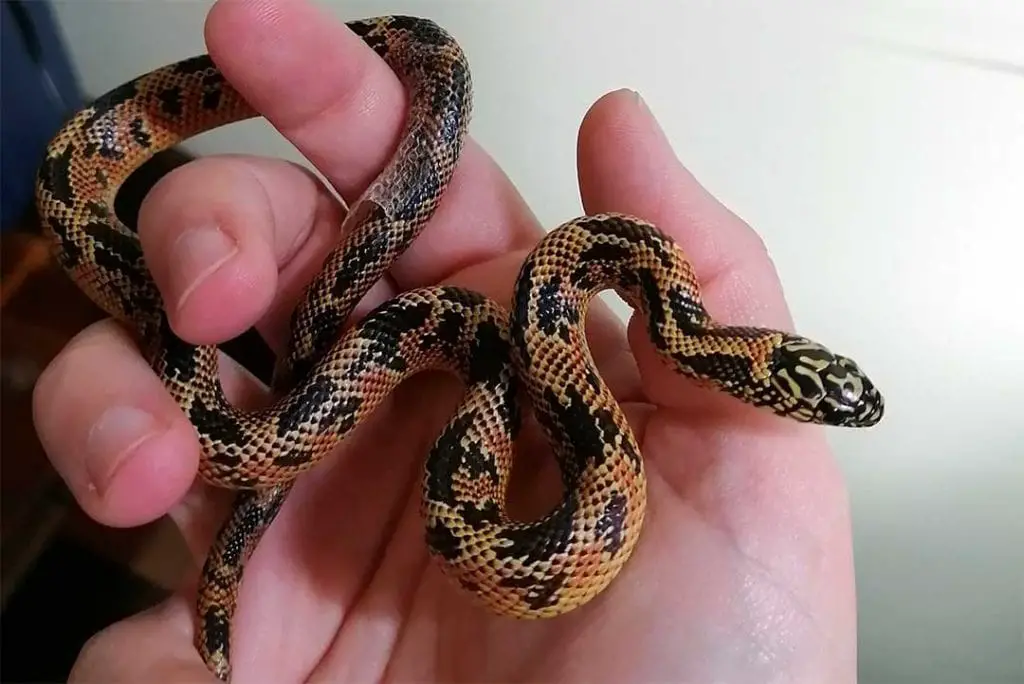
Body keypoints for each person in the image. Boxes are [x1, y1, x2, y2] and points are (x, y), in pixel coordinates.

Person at [32, 0, 857, 680]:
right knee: (159, 284)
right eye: (827, 385)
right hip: (408, 347)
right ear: (761, 369)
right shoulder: (588, 284)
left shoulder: (576, 322)